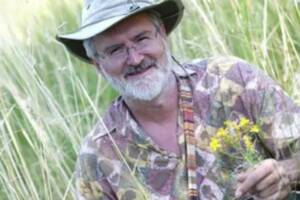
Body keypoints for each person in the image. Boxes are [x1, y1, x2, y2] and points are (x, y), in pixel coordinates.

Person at [57, 0, 300, 199]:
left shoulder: (230, 79)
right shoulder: (99, 154)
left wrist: (286, 172)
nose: (135, 58)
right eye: (115, 50)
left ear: (162, 34)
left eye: (142, 39)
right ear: (98, 65)